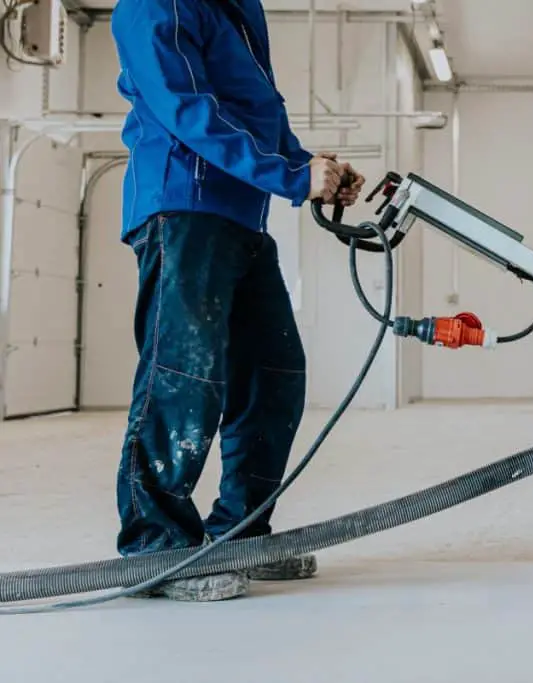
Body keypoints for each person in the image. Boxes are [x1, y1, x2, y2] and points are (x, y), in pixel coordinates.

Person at [110, 0, 365, 602]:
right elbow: (186, 109)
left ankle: (241, 532)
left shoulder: (235, 9)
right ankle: (158, 545)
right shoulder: (155, 5)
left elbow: (256, 111)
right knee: (183, 376)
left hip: (241, 217)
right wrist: (290, 178)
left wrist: (307, 165)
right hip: (184, 207)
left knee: (275, 374)